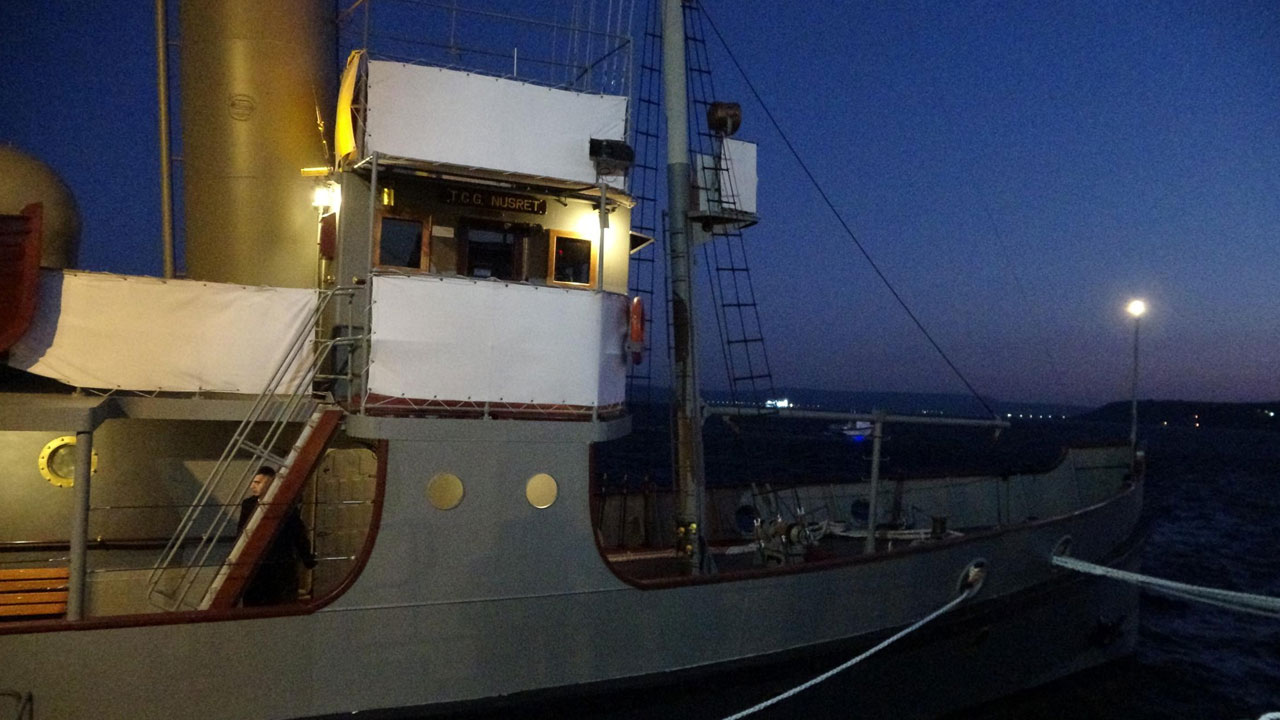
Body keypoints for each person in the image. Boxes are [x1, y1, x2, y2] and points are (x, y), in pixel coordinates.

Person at [237, 466, 317, 606]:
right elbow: (241, 532)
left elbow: (297, 533)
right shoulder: (248, 505)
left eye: (257, 482)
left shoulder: (285, 506)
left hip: (279, 565)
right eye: (253, 482)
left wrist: (307, 558)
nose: (252, 486)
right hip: (256, 568)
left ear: (270, 483)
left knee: (279, 603)